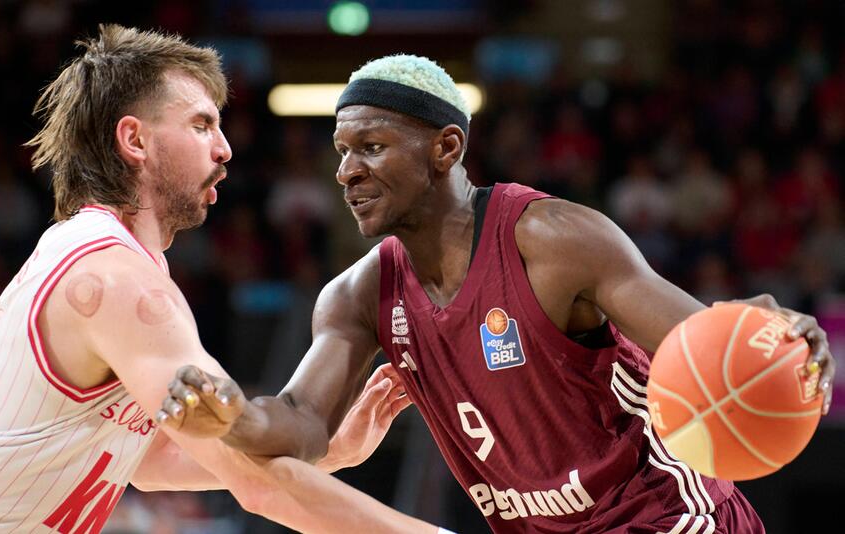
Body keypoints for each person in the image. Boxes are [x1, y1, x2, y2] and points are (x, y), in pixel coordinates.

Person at [164, 54, 836, 533]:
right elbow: (305, 424)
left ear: (445, 148)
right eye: (341, 151)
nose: (347, 171)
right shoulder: (357, 295)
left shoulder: (553, 238)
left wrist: (764, 335)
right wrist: (236, 419)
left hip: (665, 515)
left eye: (370, 145)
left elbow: (699, 340)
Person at [0, 28, 452, 534]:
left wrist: (328, 449)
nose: (225, 148)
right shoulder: (120, 282)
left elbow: (155, 459)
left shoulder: (106, 257)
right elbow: (263, 488)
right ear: (134, 140)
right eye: (201, 124)